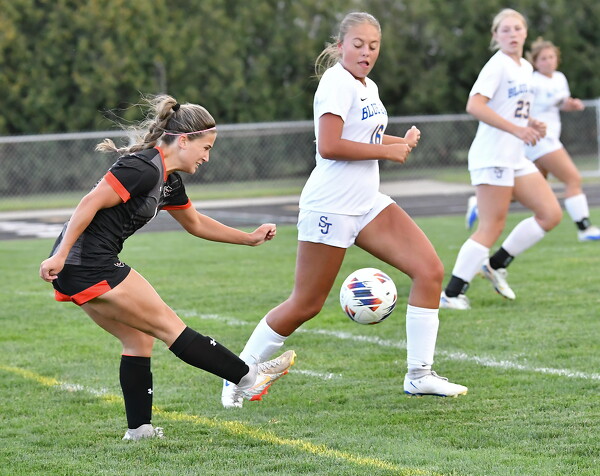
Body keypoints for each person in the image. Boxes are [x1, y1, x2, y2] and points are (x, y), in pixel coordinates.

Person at [221, 11, 467, 408]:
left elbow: (363, 134)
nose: (366, 52)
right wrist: (387, 152)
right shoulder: (336, 82)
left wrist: (398, 141)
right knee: (306, 304)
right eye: (358, 44)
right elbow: (330, 145)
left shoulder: (367, 85)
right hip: (331, 206)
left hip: (367, 202)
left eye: (373, 46)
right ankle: (236, 375)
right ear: (340, 46)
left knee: (430, 271)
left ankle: (420, 375)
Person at [38, 94, 296, 440]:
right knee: (169, 326)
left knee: (138, 338)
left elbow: (196, 223)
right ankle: (249, 378)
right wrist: (60, 255)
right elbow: (89, 203)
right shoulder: (142, 168)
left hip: (82, 266)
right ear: (184, 140)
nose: (207, 156)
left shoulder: (169, 180)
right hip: (88, 264)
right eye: (206, 147)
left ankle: (140, 431)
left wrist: (248, 239)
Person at [440, 9, 563, 311]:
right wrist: (518, 129)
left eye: (517, 28)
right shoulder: (497, 65)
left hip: (515, 156)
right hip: (493, 155)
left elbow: (509, 107)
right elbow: (475, 105)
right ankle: (451, 294)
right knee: (491, 227)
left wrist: (530, 122)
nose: (512, 34)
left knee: (550, 214)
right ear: (495, 35)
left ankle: (495, 264)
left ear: (525, 32)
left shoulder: (525, 67)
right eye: (505, 30)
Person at [465, 38, 599, 242]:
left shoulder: (559, 78)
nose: (548, 61)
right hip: (538, 138)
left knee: (529, 189)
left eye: (551, 57)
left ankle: (478, 202)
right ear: (535, 62)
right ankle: (584, 228)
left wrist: (569, 105)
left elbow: (560, 102)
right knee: (573, 178)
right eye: (543, 58)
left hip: (545, 136)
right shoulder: (530, 77)